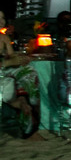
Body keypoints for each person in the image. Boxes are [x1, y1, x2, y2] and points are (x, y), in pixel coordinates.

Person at [1, 10, 41, 138]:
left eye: (2, 18)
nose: (1, 21)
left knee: (28, 70)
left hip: (5, 69)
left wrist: (21, 58)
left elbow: (12, 56)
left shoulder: (4, 38)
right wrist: (8, 62)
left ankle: (29, 100)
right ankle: (23, 104)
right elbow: (8, 61)